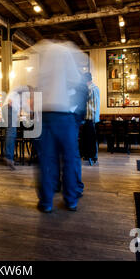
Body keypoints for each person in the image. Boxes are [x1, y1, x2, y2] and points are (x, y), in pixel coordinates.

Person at [32, 40, 86, 213]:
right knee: (69, 160)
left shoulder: (41, 51)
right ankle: (70, 200)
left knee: (46, 160)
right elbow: (76, 79)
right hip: (64, 114)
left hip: (45, 114)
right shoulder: (67, 50)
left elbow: (34, 84)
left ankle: (46, 202)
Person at [1, 86, 32, 170]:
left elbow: (25, 106)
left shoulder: (25, 95)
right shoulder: (26, 88)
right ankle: (9, 157)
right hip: (9, 107)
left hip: (9, 107)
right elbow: (15, 90)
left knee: (11, 131)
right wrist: (10, 100)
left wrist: (31, 111)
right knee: (12, 131)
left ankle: (8, 156)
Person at [81, 72, 100, 166]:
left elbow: (93, 105)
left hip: (90, 117)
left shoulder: (91, 89)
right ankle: (91, 156)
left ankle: (92, 156)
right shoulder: (95, 88)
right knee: (91, 138)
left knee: (91, 138)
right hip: (91, 118)